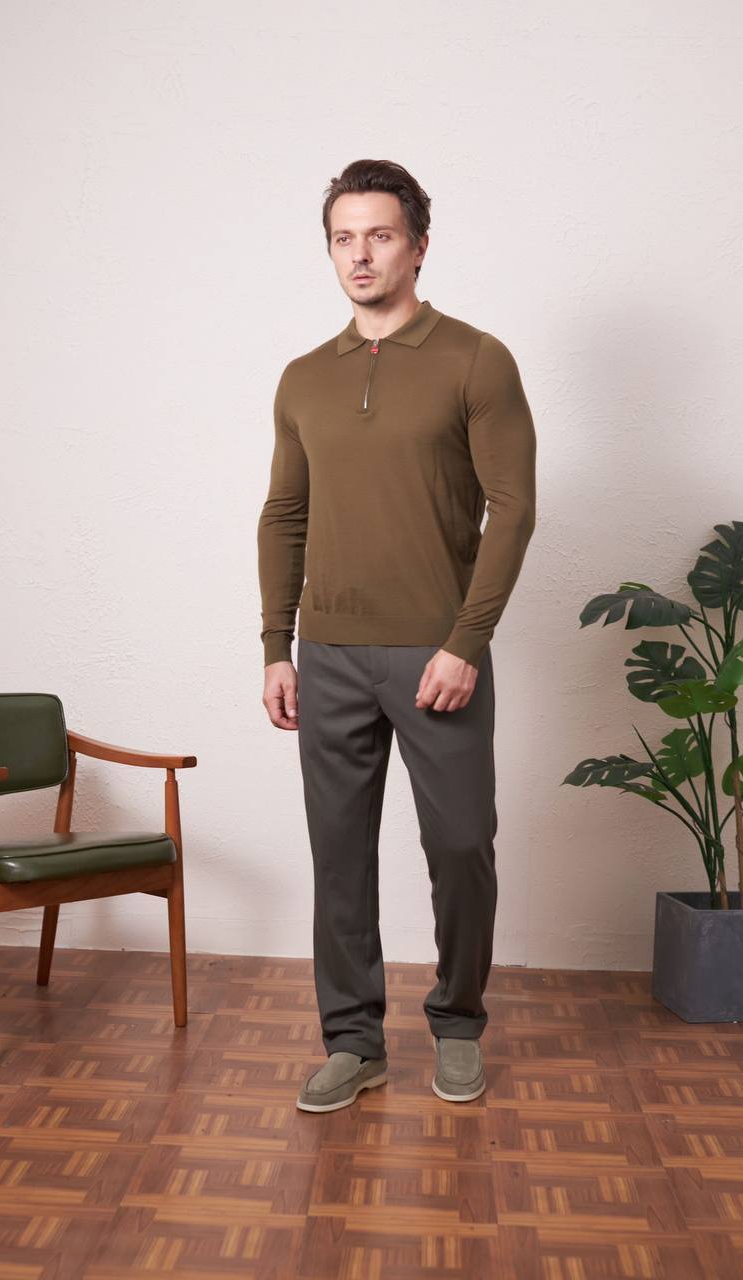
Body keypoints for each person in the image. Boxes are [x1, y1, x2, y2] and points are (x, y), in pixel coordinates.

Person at [257, 158, 537, 1113]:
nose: (361, 254)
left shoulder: (475, 360)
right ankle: (353, 1042)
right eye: (344, 238)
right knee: (339, 858)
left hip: (435, 653)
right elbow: (283, 515)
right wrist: (276, 645)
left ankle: (457, 1023)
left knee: (460, 846)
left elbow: (513, 508)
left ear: (417, 245)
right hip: (328, 655)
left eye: (379, 235)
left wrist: (465, 642)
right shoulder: (303, 378)